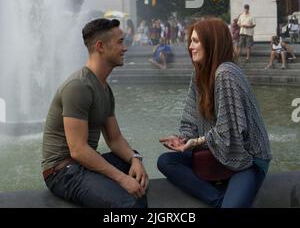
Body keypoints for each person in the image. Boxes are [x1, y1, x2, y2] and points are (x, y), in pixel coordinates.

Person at [157, 17, 271, 208]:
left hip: (247, 158)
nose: (190, 47)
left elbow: (230, 135)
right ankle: (218, 200)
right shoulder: (199, 73)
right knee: (166, 162)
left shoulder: (226, 74)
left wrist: (198, 142)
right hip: (216, 153)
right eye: (190, 41)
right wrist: (184, 139)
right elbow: (190, 119)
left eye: (195, 41)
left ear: (212, 43)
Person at [41, 18, 148, 208]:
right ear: (100, 46)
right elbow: (78, 150)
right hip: (63, 172)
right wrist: (122, 179)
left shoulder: (104, 88)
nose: (125, 48)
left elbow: (114, 139)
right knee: (130, 203)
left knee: (134, 167)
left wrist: (135, 159)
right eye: (120, 42)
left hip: (83, 165)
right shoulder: (79, 86)